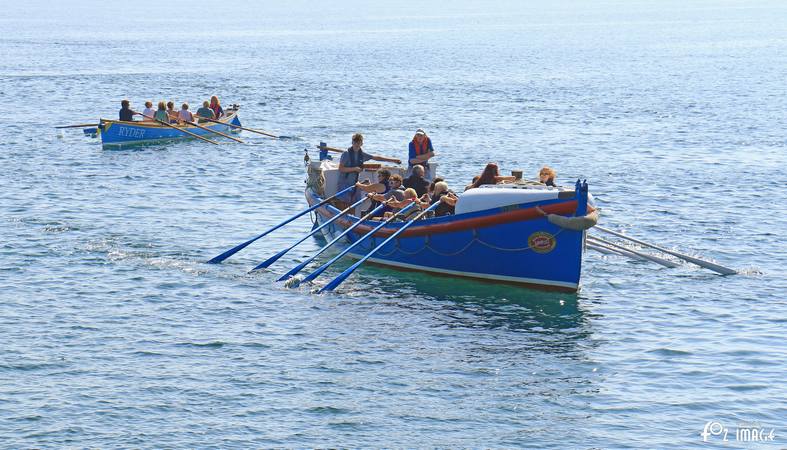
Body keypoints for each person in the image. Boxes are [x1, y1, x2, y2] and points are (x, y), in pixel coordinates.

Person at [337, 133, 402, 204]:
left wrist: (393, 160)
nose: (356, 144)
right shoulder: (346, 154)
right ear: (352, 142)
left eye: (358, 142)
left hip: (355, 183)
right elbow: (341, 168)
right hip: (344, 184)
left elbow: (376, 158)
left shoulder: (362, 154)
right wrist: (355, 169)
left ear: (361, 143)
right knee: (344, 203)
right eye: (355, 142)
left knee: (354, 203)